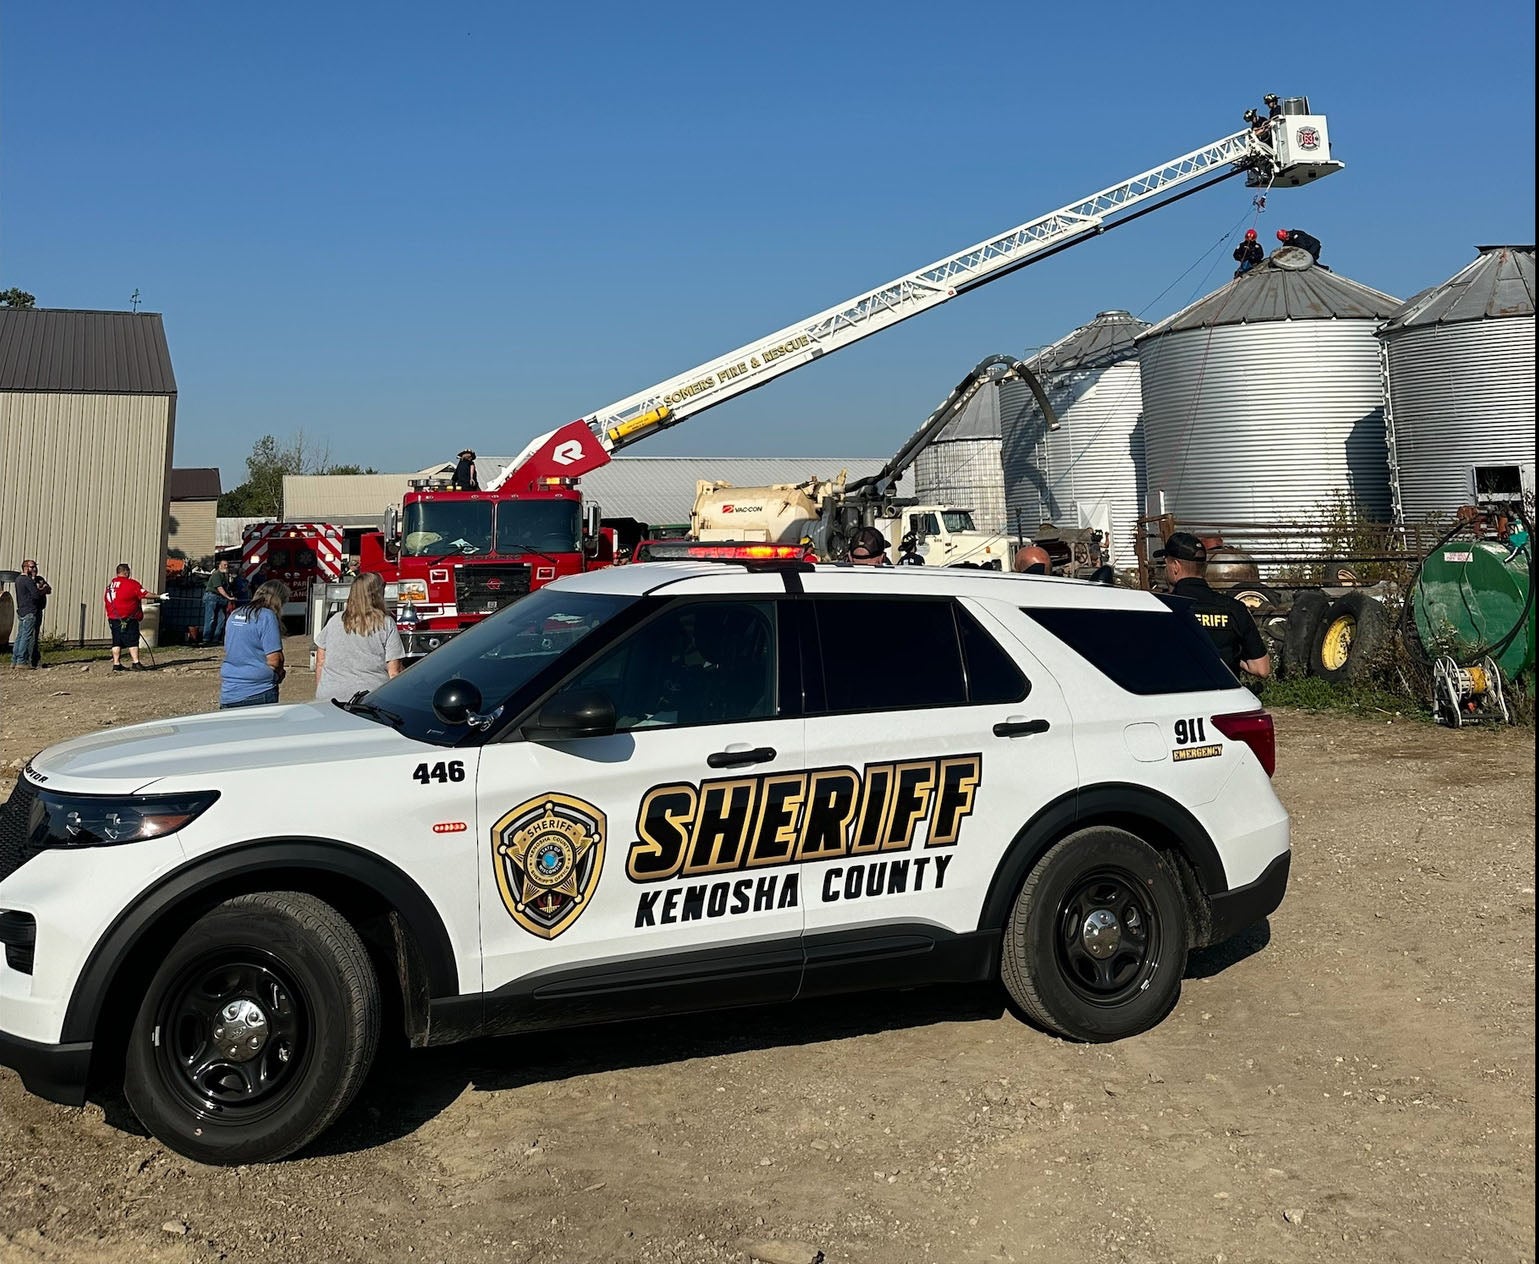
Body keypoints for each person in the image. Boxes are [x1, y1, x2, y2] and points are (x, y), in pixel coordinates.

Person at [1155, 532, 1271, 680]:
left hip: (1177, 696)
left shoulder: (1161, 607)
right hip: (1224, 697)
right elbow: (1262, 669)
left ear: (1176, 567)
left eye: (1166, 564)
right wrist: (1231, 659)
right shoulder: (1235, 609)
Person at [314, 571, 407, 704]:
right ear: (378, 593)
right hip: (370, 696)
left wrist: (321, 691)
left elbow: (320, 661)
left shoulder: (334, 620)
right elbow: (394, 672)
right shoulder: (386, 624)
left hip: (330, 695)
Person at [219, 580, 290, 708]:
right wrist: (280, 672)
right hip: (258, 690)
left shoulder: (235, 614)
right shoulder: (267, 616)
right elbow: (274, 660)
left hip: (229, 690)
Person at [103, 563, 148, 671]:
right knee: (133, 639)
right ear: (126, 572)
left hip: (113, 618)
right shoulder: (131, 584)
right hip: (128, 618)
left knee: (116, 640)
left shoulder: (110, 586)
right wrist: (159, 596)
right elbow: (144, 594)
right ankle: (136, 662)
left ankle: (116, 663)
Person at [10, 559, 51, 669]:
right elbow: (36, 595)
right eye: (32, 567)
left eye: (35, 567)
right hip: (29, 611)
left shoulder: (18, 579)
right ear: (25, 567)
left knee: (20, 636)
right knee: (26, 637)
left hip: (22, 610)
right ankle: (21, 661)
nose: (34, 569)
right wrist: (43, 588)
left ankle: (14, 660)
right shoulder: (27, 580)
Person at [203, 559, 235, 644]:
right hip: (212, 597)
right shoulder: (216, 574)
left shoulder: (226, 576)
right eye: (224, 565)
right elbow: (219, 588)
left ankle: (216, 638)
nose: (226, 566)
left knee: (222, 618)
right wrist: (228, 597)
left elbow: (227, 588)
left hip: (221, 598)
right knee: (210, 618)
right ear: (219, 566)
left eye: (227, 565)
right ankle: (206, 639)